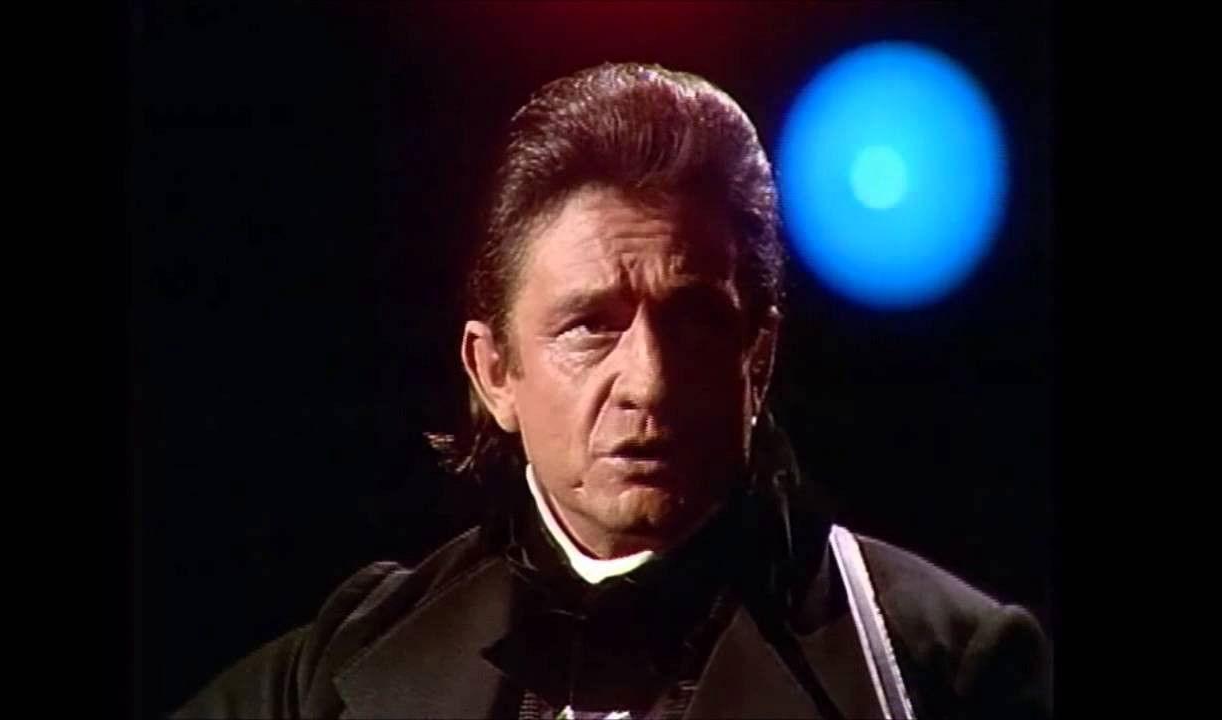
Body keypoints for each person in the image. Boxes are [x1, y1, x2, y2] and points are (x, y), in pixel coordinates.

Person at [174, 62, 1052, 720]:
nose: (650, 381)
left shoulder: (944, 666)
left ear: (759, 358)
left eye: (695, 322)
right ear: (494, 373)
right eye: (591, 325)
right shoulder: (336, 665)